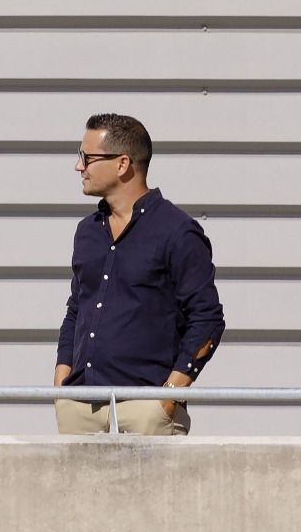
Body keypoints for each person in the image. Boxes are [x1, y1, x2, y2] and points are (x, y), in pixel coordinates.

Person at [55, 114, 225, 435]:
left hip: (146, 409)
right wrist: (61, 381)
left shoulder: (177, 232)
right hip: (80, 406)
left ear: (122, 164)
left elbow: (207, 319)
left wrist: (169, 395)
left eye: (87, 158)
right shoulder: (87, 232)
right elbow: (76, 309)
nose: (79, 167)